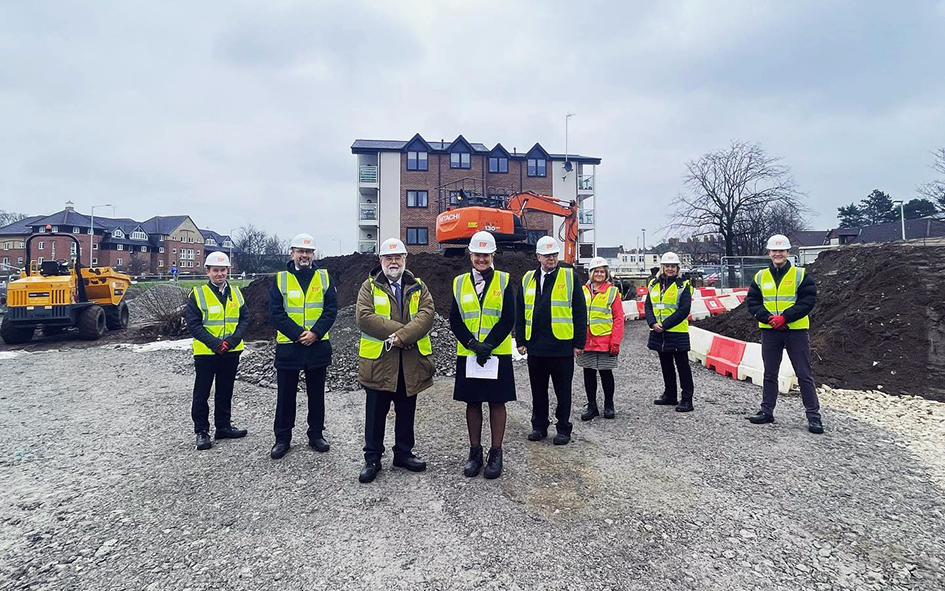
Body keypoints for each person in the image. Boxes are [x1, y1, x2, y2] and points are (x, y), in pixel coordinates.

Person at [356, 237, 435, 483]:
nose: (393, 261)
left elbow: (427, 314)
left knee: (406, 411)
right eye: (388, 257)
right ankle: (372, 459)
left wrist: (402, 335)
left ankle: (403, 453)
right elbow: (364, 318)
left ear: (405, 259)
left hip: (410, 363)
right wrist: (404, 333)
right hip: (380, 362)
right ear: (380, 261)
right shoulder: (369, 286)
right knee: (375, 413)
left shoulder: (419, 286)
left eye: (397, 257)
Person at [449, 231, 515, 479]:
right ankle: (474, 452)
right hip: (469, 353)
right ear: (470, 255)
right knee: (473, 402)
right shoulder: (458, 283)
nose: (481, 259)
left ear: (493, 255)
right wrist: (472, 344)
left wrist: (487, 345)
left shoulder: (505, 281)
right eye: (477, 254)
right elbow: (455, 319)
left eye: (486, 255)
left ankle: (496, 453)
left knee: (497, 402)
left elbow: (509, 317)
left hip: (496, 353)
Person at [268, 233, 337, 459]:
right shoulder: (280, 279)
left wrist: (315, 333)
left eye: (308, 252)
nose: (304, 255)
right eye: (300, 251)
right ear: (292, 253)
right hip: (290, 346)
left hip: (317, 345)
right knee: (286, 396)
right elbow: (276, 313)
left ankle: (316, 434)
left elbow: (331, 309)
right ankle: (282, 438)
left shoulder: (324, 277)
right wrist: (299, 334)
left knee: (316, 395)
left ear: (313, 254)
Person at [745, 234, 823, 434]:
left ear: (788, 252)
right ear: (769, 253)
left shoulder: (800, 275)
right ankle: (766, 411)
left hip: (795, 330)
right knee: (770, 373)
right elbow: (753, 301)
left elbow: (807, 300)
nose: (777, 254)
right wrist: (767, 318)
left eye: (781, 250)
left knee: (804, 374)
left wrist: (785, 317)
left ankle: (814, 417)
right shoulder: (761, 276)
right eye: (774, 251)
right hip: (770, 331)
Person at [516, 236, 587, 445]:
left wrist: (579, 343)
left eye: (555, 255)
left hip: (562, 345)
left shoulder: (569, 277)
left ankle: (563, 428)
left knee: (563, 390)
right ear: (538, 256)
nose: (552, 259)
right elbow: (520, 311)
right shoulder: (527, 278)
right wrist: (520, 339)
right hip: (536, 345)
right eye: (547, 256)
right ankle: (539, 425)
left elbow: (580, 311)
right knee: (538, 390)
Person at [184, 251, 250, 450]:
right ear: (208, 272)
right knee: (202, 392)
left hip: (230, 351)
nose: (220, 274)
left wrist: (230, 342)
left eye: (223, 270)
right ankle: (201, 431)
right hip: (206, 352)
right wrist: (215, 344)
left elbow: (244, 319)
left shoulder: (237, 293)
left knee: (225, 390)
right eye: (216, 270)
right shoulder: (198, 294)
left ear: (227, 271)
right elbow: (194, 325)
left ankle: (223, 426)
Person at [644, 252, 695, 412]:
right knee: (665, 365)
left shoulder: (683, 285)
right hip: (659, 331)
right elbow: (648, 306)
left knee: (682, 367)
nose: (670, 269)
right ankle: (670, 394)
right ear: (662, 267)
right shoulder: (653, 284)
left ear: (677, 268)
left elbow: (684, 309)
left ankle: (687, 399)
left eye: (673, 266)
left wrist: (665, 324)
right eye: (667, 266)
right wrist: (652, 323)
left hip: (676, 332)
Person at [577, 256, 624, 421]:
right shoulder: (582, 290)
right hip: (586, 340)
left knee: (606, 373)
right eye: (596, 271)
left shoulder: (612, 292)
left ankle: (609, 405)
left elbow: (618, 318)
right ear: (591, 273)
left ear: (606, 273)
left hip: (605, 340)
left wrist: (615, 342)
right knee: (588, 373)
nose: (599, 274)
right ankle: (592, 406)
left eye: (602, 272)